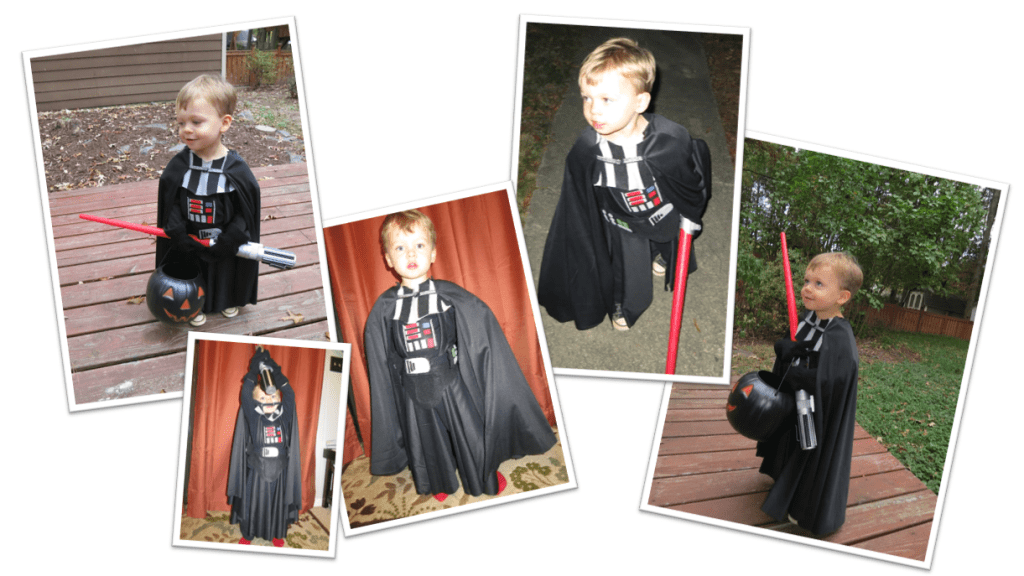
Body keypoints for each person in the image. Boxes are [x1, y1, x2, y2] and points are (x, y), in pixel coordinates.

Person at [363, 210, 557, 499]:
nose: (411, 254)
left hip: (450, 382)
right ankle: (436, 481)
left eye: (419, 245)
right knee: (426, 438)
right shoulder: (384, 308)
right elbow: (381, 358)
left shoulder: (448, 295)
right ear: (389, 260)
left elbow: (482, 334)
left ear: (433, 254)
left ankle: (483, 476)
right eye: (400, 248)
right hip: (413, 390)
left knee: (469, 433)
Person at [537, 37, 711, 331]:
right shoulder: (586, 148)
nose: (594, 110)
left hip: (663, 213)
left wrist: (691, 214)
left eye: (607, 99)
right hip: (623, 222)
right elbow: (578, 200)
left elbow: (689, 182)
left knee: (670, 244)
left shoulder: (668, 140)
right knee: (631, 275)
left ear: (640, 102)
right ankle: (627, 307)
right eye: (587, 97)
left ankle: (664, 255)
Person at [756, 252, 862, 535]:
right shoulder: (807, 319)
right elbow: (794, 349)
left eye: (818, 284)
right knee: (788, 444)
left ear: (842, 297)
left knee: (808, 452)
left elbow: (838, 380)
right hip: (794, 403)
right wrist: (783, 349)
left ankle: (804, 505)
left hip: (815, 415)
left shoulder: (840, 336)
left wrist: (809, 378)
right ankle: (782, 482)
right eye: (806, 281)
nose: (806, 288)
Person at [155, 74, 261, 327]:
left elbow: (245, 211)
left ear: (224, 123)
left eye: (196, 121)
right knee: (194, 271)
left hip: (223, 241)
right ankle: (195, 305)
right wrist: (178, 232)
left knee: (224, 271)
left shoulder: (236, 168)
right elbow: (172, 202)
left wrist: (232, 238)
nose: (186, 130)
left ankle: (226, 300)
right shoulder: (179, 165)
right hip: (191, 241)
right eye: (181, 123)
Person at [227, 347, 301, 547]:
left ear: (279, 399)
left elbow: (290, 394)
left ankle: (277, 533)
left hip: (279, 471)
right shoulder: (254, 416)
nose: (269, 400)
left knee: (276, 505)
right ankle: (248, 533)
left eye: (273, 397)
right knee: (253, 503)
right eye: (263, 398)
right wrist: (253, 371)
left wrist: (275, 371)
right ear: (255, 401)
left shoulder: (284, 416)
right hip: (257, 470)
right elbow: (245, 394)